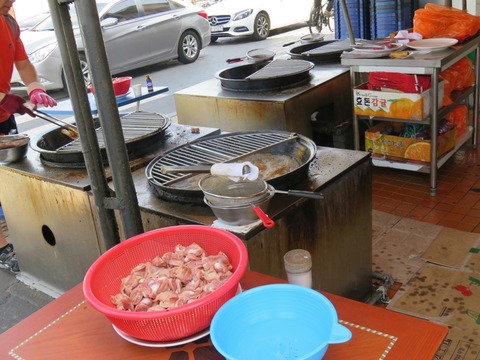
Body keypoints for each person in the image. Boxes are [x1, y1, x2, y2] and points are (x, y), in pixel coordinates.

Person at [0, 0, 57, 273]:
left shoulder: (8, 21)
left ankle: (24, 234)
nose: (11, 2)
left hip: (2, 116)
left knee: (10, 177)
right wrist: (3, 97)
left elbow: (21, 63)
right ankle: (2, 249)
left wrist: (34, 87)